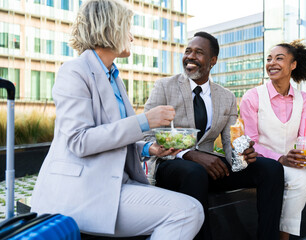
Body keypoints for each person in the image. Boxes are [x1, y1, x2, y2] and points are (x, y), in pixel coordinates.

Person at [30, 0, 204, 239]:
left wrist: (147, 147)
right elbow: (80, 141)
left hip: (114, 186)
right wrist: (145, 121)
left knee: (189, 209)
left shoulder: (114, 77)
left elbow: (111, 134)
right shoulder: (74, 71)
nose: (131, 37)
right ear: (109, 28)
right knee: (188, 211)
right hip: (84, 192)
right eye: (127, 28)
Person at [144, 31, 284, 240]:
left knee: (271, 168)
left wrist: (241, 154)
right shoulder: (165, 87)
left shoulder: (226, 97)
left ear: (212, 61)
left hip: (210, 168)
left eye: (198, 52)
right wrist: (189, 154)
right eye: (187, 51)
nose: (190, 56)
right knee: (194, 172)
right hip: (171, 163)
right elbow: (147, 137)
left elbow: (230, 144)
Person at [240, 40, 306, 240]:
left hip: (293, 160)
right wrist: (280, 158)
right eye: (269, 59)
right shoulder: (253, 97)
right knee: (302, 180)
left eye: (279, 58)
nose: (272, 63)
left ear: (293, 65)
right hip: (266, 163)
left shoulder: (303, 99)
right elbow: (250, 142)